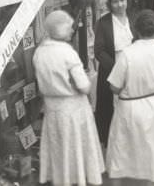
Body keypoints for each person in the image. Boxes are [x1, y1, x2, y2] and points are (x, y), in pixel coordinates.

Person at [33, 10, 104, 186]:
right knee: (76, 151)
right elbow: (84, 86)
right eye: (69, 27)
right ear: (60, 30)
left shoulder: (39, 53)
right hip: (73, 109)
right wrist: (87, 81)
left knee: (60, 151)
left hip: (52, 109)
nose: (72, 30)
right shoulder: (67, 53)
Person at [106, 10, 154, 185]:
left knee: (121, 153)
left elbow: (114, 87)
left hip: (131, 108)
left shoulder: (127, 54)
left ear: (136, 30)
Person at [92, 0, 134, 146]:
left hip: (133, 65)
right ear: (110, 4)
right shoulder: (104, 23)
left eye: (122, 0)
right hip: (112, 67)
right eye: (116, 1)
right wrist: (116, 67)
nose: (120, 4)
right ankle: (112, 139)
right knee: (112, 103)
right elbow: (99, 51)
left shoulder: (133, 17)